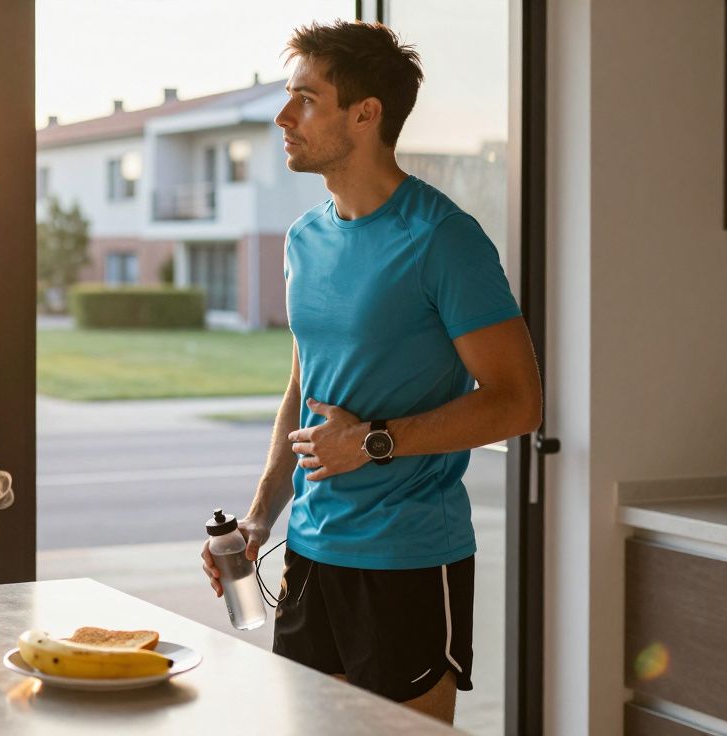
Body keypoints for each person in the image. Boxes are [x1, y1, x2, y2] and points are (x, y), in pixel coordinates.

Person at [200, 20, 543, 725]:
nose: (283, 117)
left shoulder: (443, 239)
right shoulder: (305, 239)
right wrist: (262, 517)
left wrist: (372, 442)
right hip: (310, 557)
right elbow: (303, 391)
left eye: (306, 100)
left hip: (410, 558)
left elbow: (517, 403)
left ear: (365, 113)